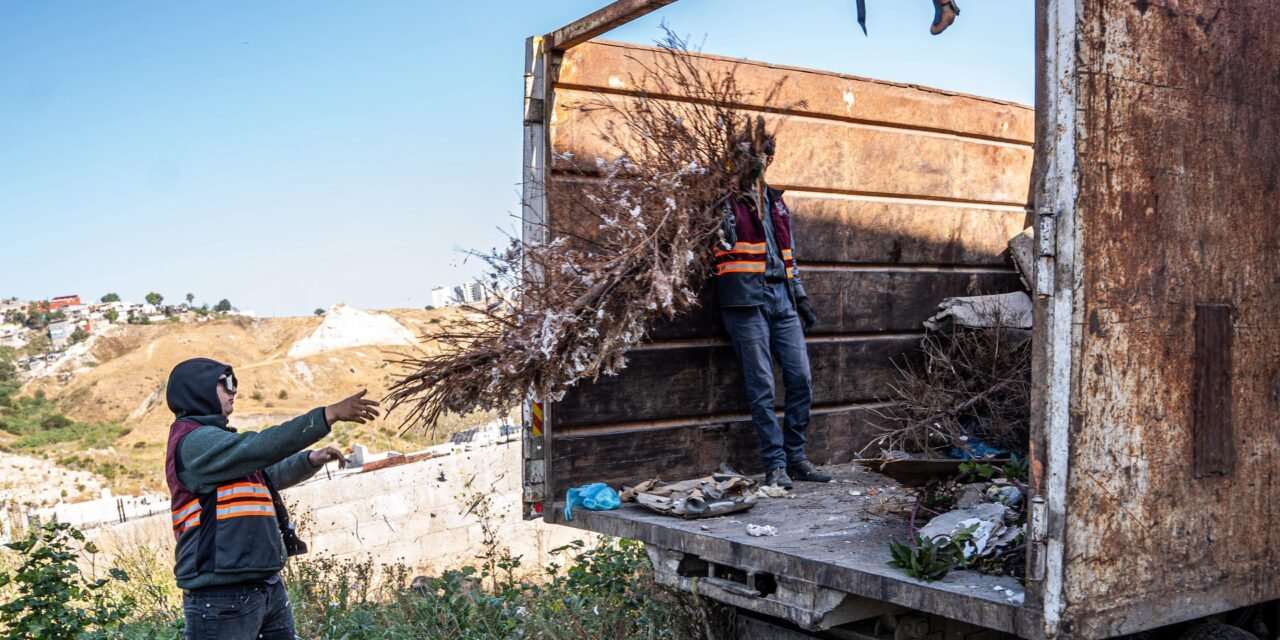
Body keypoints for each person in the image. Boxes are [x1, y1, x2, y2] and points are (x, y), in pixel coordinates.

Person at [164, 357, 379, 640]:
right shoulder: (194, 442)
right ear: (198, 390)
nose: (234, 391)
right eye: (226, 383)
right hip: (221, 595)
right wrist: (326, 415)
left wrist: (311, 459)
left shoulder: (219, 444)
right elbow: (260, 449)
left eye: (235, 383)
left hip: (264, 586)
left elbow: (265, 474)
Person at [715, 122, 832, 490]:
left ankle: (796, 458)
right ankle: (775, 466)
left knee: (801, 380)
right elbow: (718, 244)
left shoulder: (777, 203)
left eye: (765, 154)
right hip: (745, 302)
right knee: (762, 386)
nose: (760, 161)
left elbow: (788, 253)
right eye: (752, 154)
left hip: (782, 299)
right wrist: (723, 206)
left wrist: (800, 296)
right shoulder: (722, 201)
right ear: (738, 158)